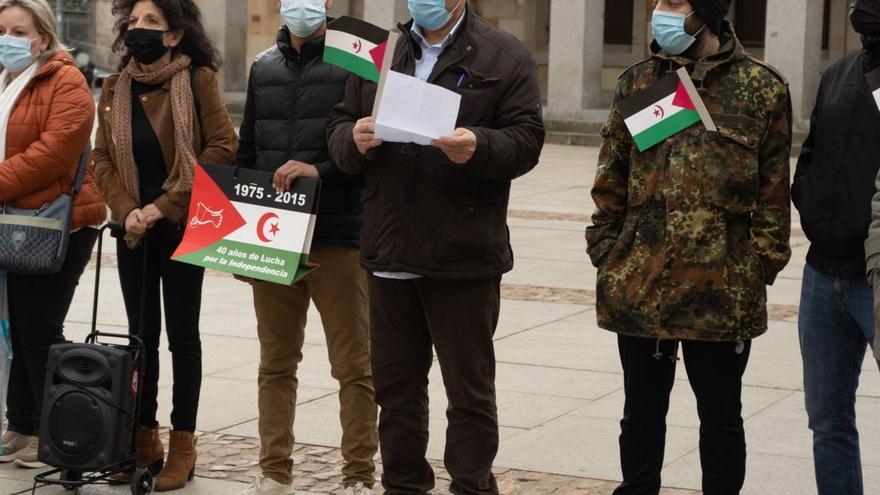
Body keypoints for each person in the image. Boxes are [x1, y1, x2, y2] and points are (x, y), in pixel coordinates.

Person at [327, 0, 544, 493]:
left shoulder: (504, 55)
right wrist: (353, 139)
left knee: (468, 392)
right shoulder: (384, 51)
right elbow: (338, 126)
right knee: (396, 391)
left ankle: (471, 485)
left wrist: (480, 146)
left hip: (462, 255)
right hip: (389, 251)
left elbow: (528, 139)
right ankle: (403, 484)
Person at [586, 0, 792, 493]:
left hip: (722, 293)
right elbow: (611, 176)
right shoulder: (637, 82)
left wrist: (758, 264)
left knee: (721, 420)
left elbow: (773, 192)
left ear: (706, 12)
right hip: (641, 282)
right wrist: (608, 250)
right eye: (658, 1)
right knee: (640, 417)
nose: (660, 11)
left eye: (674, 2)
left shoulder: (762, 87)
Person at [93, 0, 237, 490]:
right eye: (133, 22)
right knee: (140, 339)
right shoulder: (114, 88)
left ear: (175, 34)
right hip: (134, 231)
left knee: (182, 339)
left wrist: (164, 205)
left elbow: (221, 146)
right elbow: (101, 158)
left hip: (182, 226)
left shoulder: (197, 81)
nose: (139, 30)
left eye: (151, 22)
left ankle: (183, 444)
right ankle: (143, 437)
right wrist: (126, 208)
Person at [235, 1, 376, 494]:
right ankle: (274, 471)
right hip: (275, 234)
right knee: (275, 362)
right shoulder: (262, 66)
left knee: (354, 364)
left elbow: (370, 150)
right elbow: (247, 149)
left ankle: (359, 474)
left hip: (338, 232)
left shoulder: (358, 61)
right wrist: (241, 240)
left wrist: (322, 171)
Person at [0, 0, 106, 469]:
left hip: (58, 219)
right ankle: (21, 424)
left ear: (43, 36)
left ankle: (53, 433)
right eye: (2, 29)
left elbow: (54, 153)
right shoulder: (7, 80)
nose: (8, 38)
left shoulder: (65, 79)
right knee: (20, 330)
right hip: (16, 219)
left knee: (40, 328)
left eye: (18, 30)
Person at [798, 1, 880, 494]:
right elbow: (811, 151)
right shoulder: (839, 73)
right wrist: (808, 201)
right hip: (821, 274)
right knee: (827, 422)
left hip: (874, 274)